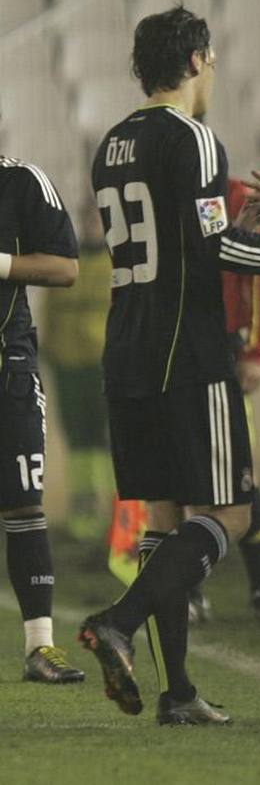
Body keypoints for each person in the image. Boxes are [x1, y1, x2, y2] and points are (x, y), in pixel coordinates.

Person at [77, 5, 260, 725]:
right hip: (190, 351)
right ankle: (119, 621)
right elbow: (217, 254)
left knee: (162, 521)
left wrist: (232, 231)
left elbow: (178, 243)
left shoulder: (111, 143)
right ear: (197, 60)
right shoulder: (195, 138)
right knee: (229, 515)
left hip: (129, 346)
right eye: (210, 60)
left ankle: (177, 693)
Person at [0, 152, 85, 684]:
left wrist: (1, 264)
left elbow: (66, 266)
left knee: (25, 503)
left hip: (8, 367)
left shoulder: (21, 181)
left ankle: (40, 646)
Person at [189, 176, 260, 622]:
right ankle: (188, 589)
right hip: (172, 349)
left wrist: (255, 351)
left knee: (238, 470)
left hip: (221, 350)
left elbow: (259, 271)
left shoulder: (221, 193)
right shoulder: (161, 193)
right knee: (184, 474)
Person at [41, 201, 113, 541]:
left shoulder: (118, 263)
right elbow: (50, 312)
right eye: (88, 219)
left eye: (99, 220)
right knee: (78, 437)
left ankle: (116, 512)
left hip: (104, 364)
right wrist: (50, 351)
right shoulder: (67, 262)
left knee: (108, 437)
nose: (92, 226)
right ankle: (84, 510)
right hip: (67, 364)